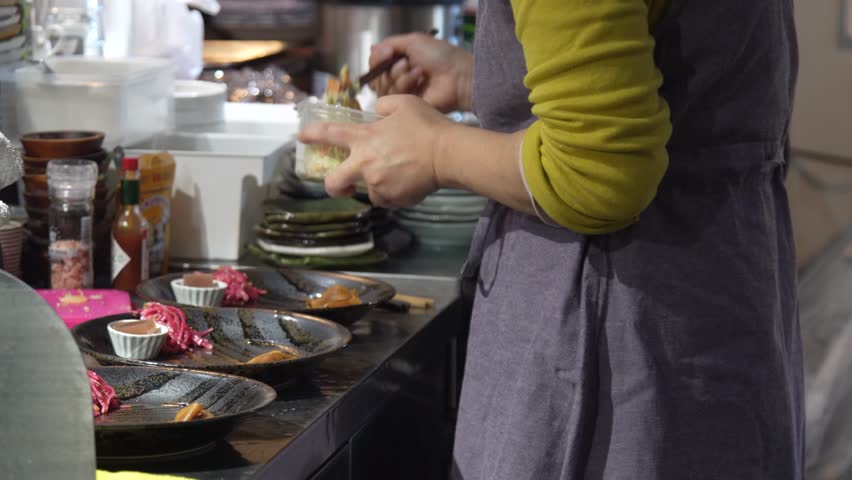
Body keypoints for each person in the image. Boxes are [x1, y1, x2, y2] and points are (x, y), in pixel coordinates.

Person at [299, 0, 804, 478]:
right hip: (718, 284)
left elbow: (595, 172)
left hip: (621, 314)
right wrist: (486, 80)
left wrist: (436, 152)